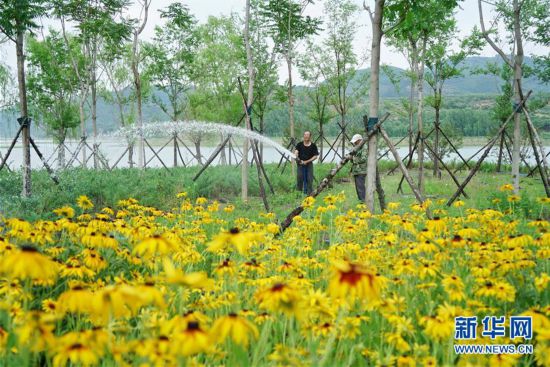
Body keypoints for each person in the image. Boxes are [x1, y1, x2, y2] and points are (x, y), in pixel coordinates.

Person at [294, 131, 319, 195]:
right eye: (305, 135)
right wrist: (296, 155)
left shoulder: (313, 146)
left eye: (307, 135)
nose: (306, 136)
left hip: (309, 164)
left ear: (310, 136)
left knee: (309, 179)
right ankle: (298, 193)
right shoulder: (299, 144)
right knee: (299, 177)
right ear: (303, 136)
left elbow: (315, 156)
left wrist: (306, 161)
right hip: (300, 164)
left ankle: (309, 194)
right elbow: (296, 151)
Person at [350, 133, 367, 202]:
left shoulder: (364, 147)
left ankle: (363, 200)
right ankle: (360, 200)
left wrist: (354, 159)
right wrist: (351, 158)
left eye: (356, 141)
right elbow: (353, 159)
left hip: (361, 170)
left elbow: (364, 158)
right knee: (357, 187)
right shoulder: (356, 147)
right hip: (356, 170)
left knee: (360, 186)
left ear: (360, 140)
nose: (354, 143)